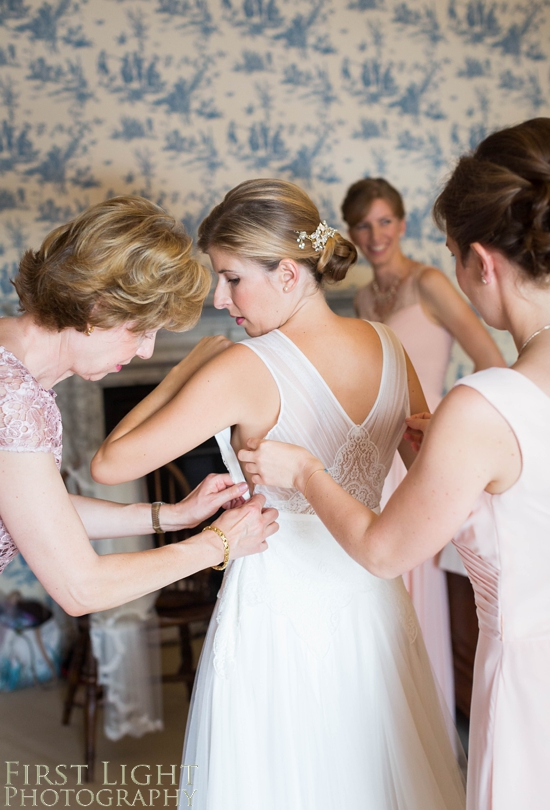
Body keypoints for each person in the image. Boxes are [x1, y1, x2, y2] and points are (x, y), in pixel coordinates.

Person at [93, 180, 465, 809]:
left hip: (277, 619)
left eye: (232, 278)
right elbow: (427, 466)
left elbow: (108, 463)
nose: (220, 297)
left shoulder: (244, 366)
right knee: (375, 771)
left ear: (289, 274)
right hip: (372, 606)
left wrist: (183, 370)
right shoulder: (389, 346)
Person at [240, 118, 550, 810]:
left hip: (535, 687)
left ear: (480, 262)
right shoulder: (481, 412)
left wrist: (302, 471)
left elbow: (384, 552)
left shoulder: (483, 406)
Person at [0, 195, 277, 616]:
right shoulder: (15, 399)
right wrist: (217, 543)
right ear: (98, 306)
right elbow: (83, 589)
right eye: (142, 330)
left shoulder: (12, 363)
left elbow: (31, 512)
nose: (147, 351)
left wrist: (172, 516)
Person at [343, 177, 505, 711]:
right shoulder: (364, 298)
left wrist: (454, 425)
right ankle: (390, 716)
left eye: (385, 220)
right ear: (351, 231)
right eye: (364, 224)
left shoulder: (431, 281)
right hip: (378, 449)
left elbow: (492, 360)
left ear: (403, 224)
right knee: (381, 580)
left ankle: (429, 718)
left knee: (421, 577)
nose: (375, 234)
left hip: (426, 445)